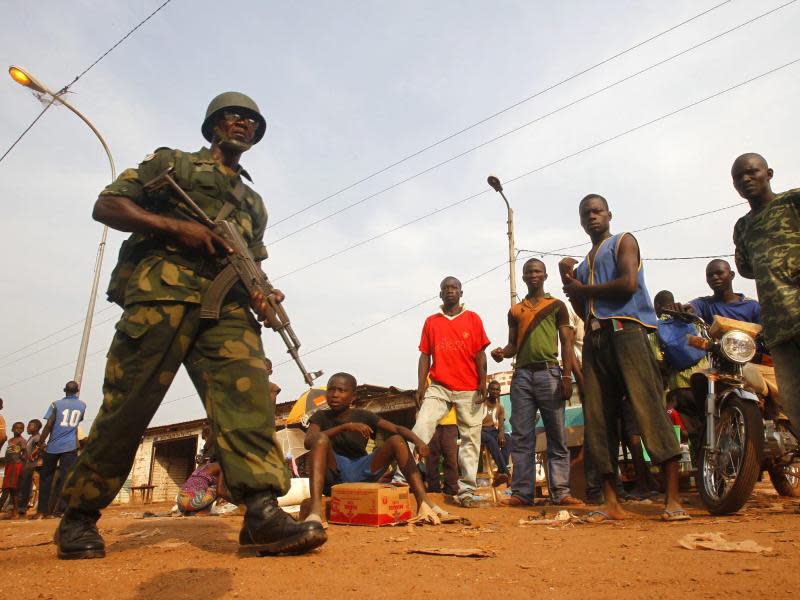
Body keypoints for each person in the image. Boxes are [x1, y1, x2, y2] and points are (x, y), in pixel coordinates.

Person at [55, 93, 326, 560]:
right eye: (233, 116)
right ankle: (78, 516)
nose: (242, 124)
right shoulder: (172, 164)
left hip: (228, 311)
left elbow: (251, 262)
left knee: (248, 409)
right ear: (213, 124)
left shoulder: (253, 202)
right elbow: (108, 206)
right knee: (128, 409)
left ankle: (261, 513)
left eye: (251, 121)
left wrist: (263, 292)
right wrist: (173, 227)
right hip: (161, 298)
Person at [560, 194, 688, 522]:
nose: (592, 216)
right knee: (599, 420)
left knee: (648, 408)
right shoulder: (585, 262)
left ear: (609, 214)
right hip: (596, 338)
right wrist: (570, 283)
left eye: (597, 211)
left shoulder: (623, 241)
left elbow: (629, 284)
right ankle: (611, 502)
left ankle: (672, 498)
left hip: (627, 332)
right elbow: (583, 308)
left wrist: (582, 289)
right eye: (585, 212)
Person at [731, 153, 800, 480]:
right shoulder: (743, 227)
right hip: (778, 325)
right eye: (739, 177)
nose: (746, 179)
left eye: (752, 172)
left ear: (768, 173)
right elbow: (745, 267)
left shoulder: (793, 203)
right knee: (795, 404)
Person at [491, 258, 581, 507]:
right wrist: (502, 353)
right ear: (523, 277)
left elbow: (567, 342)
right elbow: (512, 346)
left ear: (545, 276)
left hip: (550, 373)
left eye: (537, 271)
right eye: (529, 272)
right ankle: (522, 493)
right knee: (521, 437)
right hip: (522, 376)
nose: (533, 275)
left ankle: (560, 492)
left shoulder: (557, 306)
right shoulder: (515, 311)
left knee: (556, 435)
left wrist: (566, 375)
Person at [303, 373, 443, 525]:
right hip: (334, 472)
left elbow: (396, 428)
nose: (334, 395)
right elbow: (309, 442)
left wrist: (419, 441)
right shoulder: (320, 416)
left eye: (341, 390)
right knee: (320, 438)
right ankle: (315, 511)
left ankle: (425, 503)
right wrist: (345, 427)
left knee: (396, 440)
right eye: (330, 390)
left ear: (353, 397)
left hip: (361, 469)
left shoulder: (363, 415)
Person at [412, 277, 490, 507]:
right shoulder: (431, 322)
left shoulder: (473, 318)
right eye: (445, 288)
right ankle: (401, 477)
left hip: (469, 387)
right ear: (440, 294)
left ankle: (466, 491)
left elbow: (480, 354)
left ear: (461, 292)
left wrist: (483, 382)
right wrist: (421, 385)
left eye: (454, 287)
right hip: (440, 386)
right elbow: (425, 355)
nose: (450, 291)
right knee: (421, 427)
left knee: (470, 439)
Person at [684, 259, 778, 402]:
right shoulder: (704, 304)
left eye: (719, 273)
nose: (715, 277)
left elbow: (766, 334)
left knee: (783, 392)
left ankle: (783, 422)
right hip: (721, 364)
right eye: (710, 275)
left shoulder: (752, 306)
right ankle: (705, 421)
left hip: (753, 361)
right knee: (698, 379)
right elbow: (691, 308)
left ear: (732, 275)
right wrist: (682, 309)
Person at [33, 382, 86, 520]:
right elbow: (77, 421)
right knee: (66, 478)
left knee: (46, 477)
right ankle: (61, 511)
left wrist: (39, 444)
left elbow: (49, 425)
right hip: (70, 446)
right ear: (77, 391)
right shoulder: (82, 405)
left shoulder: (56, 404)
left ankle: (42, 511)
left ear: (64, 390)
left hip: (54, 445)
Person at [425, 407, 459, 497]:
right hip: (431, 423)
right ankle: (433, 488)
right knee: (431, 458)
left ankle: (451, 488)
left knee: (450, 458)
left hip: (450, 423)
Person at [480, 380, 509, 487]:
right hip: (480, 430)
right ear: (488, 390)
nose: (495, 391)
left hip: (492, 430)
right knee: (490, 440)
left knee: (508, 439)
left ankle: (501, 472)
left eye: (497, 389)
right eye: (492, 389)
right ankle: (505, 472)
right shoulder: (482, 402)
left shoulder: (500, 407)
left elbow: (501, 424)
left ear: (500, 391)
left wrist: (501, 434)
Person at [16, 419, 42, 517]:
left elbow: (42, 446)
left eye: (29, 426)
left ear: (36, 428)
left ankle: (22, 509)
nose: (27, 428)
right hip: (27, 466)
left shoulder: (37, 438)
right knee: (25, 487)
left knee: (26, 488)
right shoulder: (31, 438)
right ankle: (22, 508)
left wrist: (35, 453)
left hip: (32, 466)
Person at [0, 422, 26, 516]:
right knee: (11, 489)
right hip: (8, 465)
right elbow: (9, 454)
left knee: (9, 488)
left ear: (23, 430)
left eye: (20, 428)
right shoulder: (10, 440)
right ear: (12, 429)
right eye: (16, 428)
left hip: (16, 466)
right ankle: (14, 511)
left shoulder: (22, 441)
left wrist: (20, 462)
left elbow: (25, 453)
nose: (17, 430)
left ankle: (13, 510)